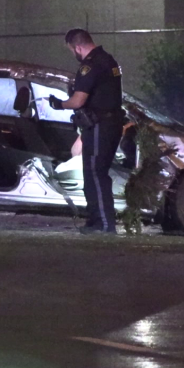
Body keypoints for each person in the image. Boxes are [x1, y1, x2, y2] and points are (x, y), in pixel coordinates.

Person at [49, 29, 124, 234]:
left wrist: (59, 104)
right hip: (109, 123)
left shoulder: (89, 66)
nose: (73, 54)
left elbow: (78, 100)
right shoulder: (108, 60)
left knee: (95, 173)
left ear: (77, 47)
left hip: (101, 126)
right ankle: (95, 221)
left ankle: (105, 225)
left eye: (72, 50)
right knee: (93, 173)